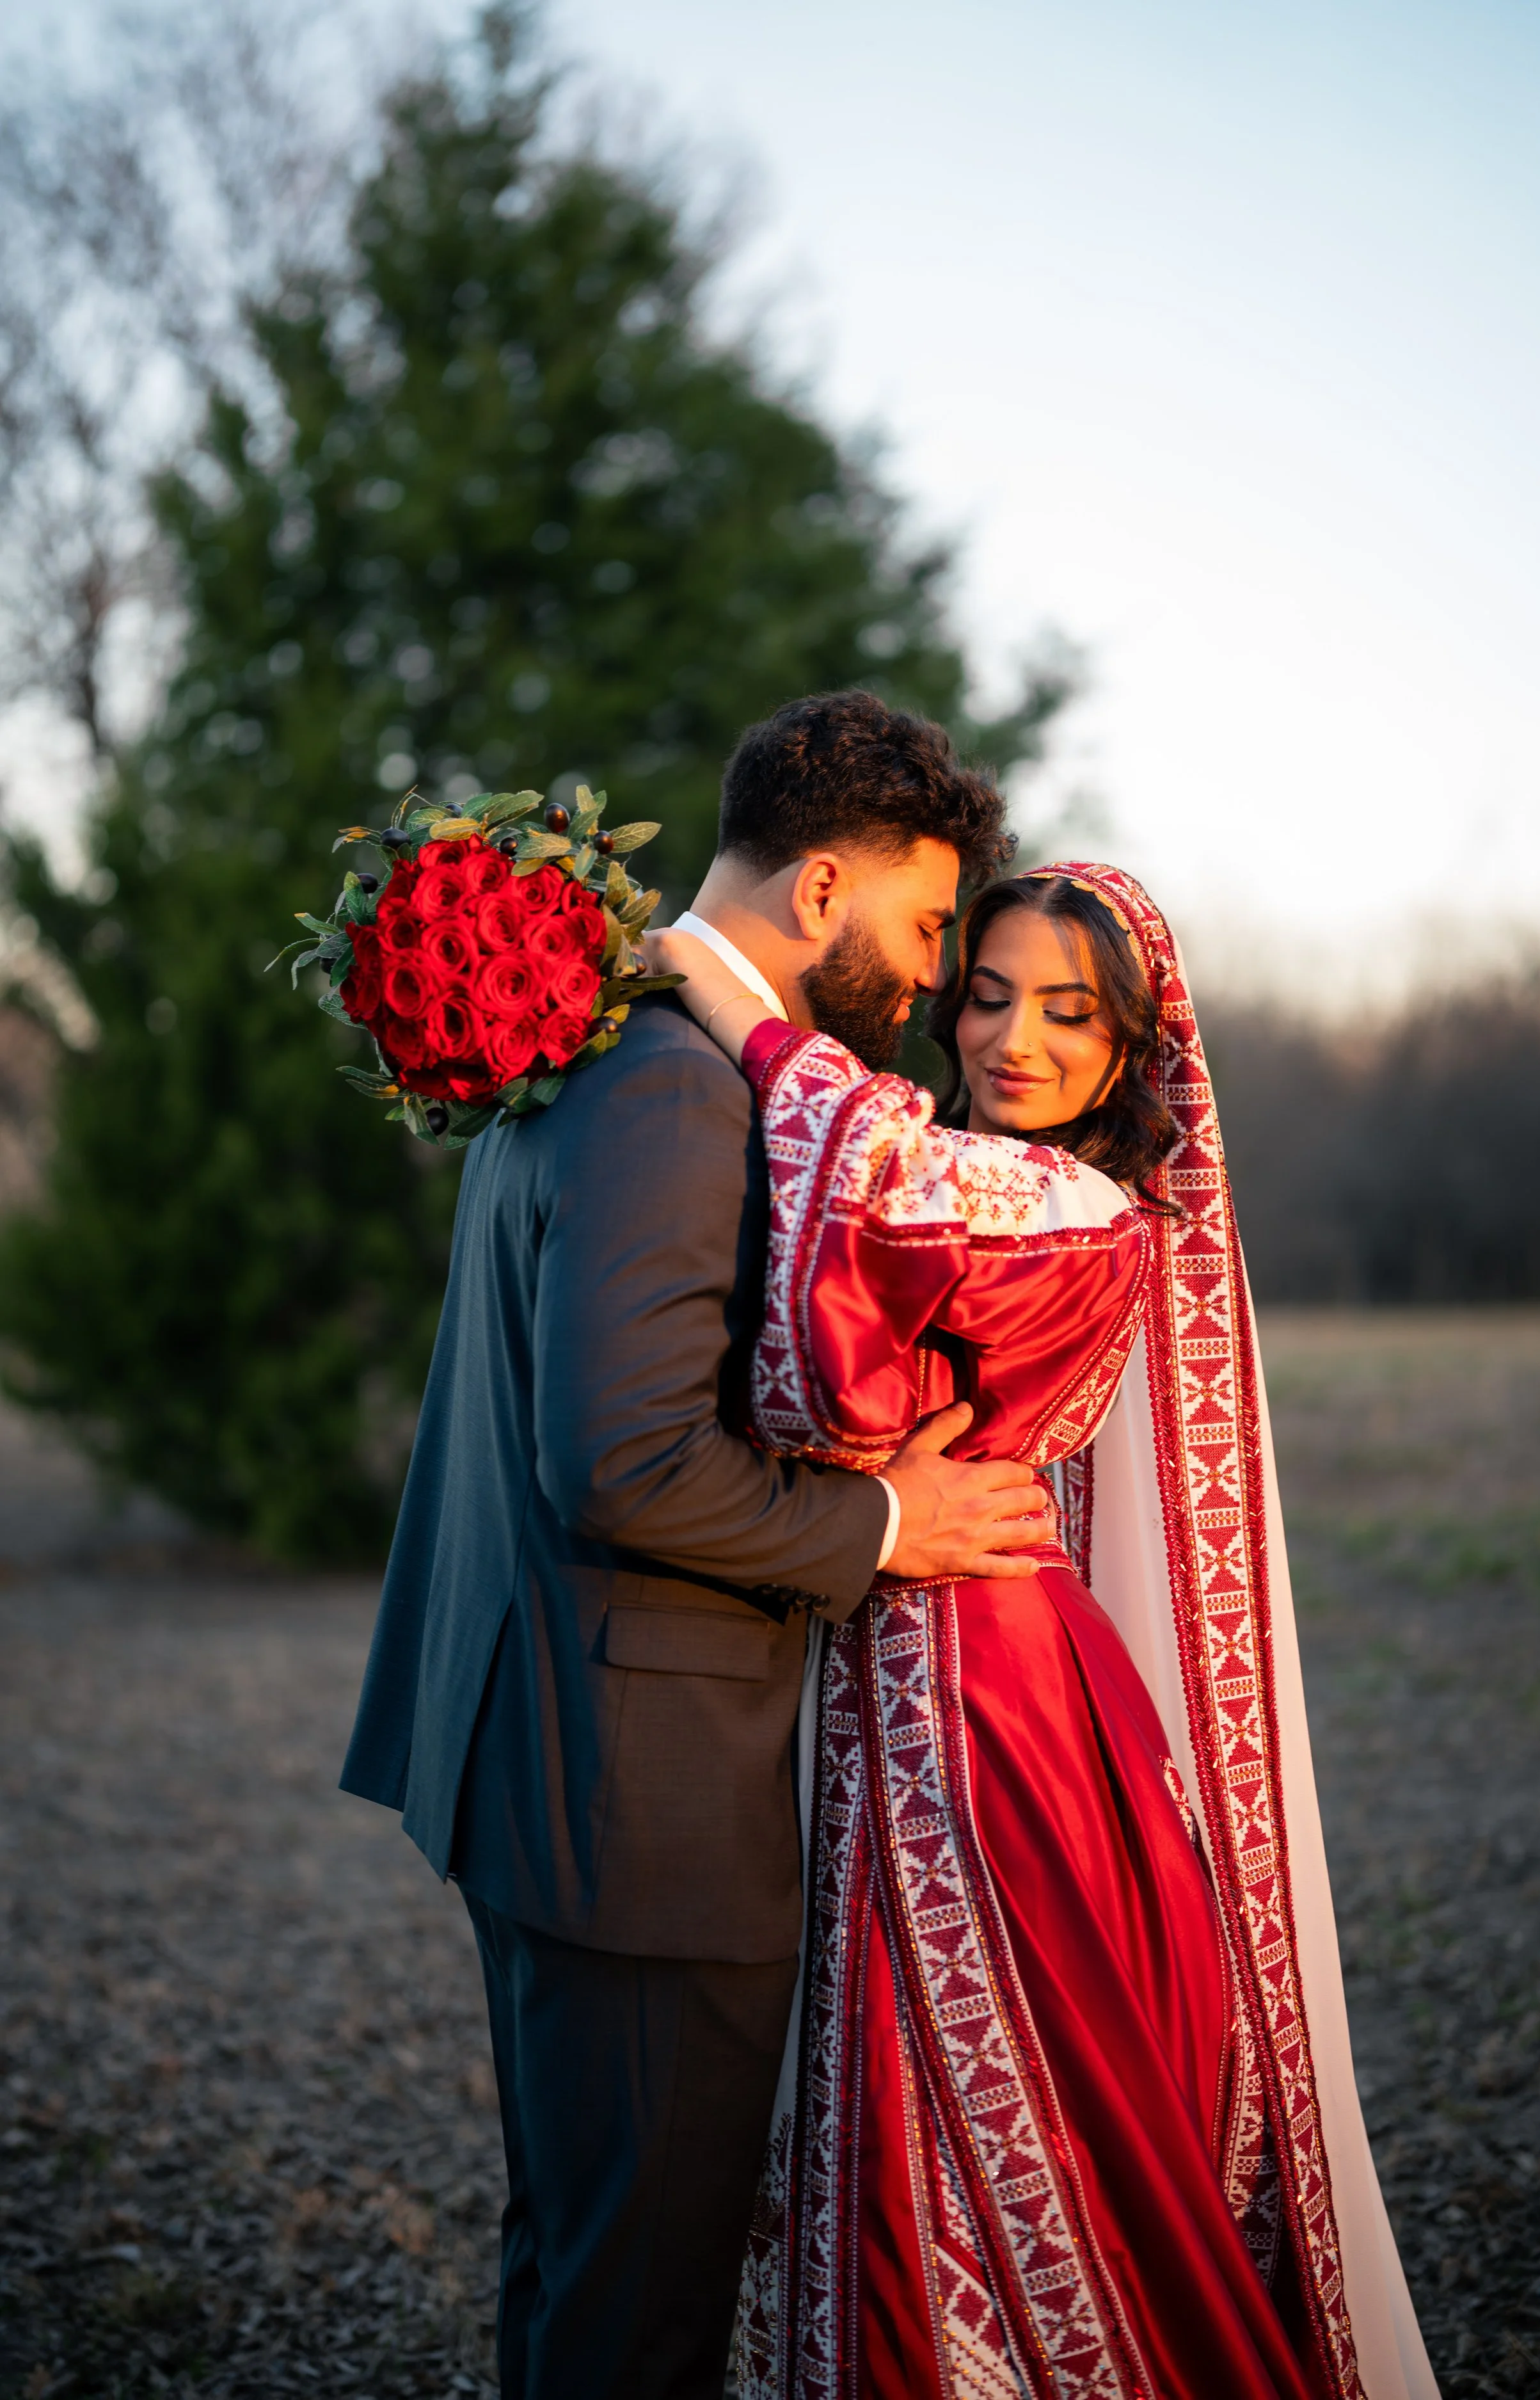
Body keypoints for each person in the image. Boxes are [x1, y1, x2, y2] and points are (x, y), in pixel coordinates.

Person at [338, 691, 1054, 2400]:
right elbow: (623, 1461)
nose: (941, 965)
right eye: (928, 918)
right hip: (635, 1802)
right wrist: (891, 1516)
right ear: (819, 890)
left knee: (577, 2260)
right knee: (640, 2313)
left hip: (536, 1749)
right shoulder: (674, 1090)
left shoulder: (594, 1033)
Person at [649, 863, 1438, 2400]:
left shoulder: (1077, 1210)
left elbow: (854, 1156)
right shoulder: (964, 1162)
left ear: (1127, 1047)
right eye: (989, 996)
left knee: (960, 2094)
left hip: (990, 1702)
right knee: (886, 2073)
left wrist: (710, 981)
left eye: (1067, 1013)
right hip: (918, 1655)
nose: (1015, 1040)